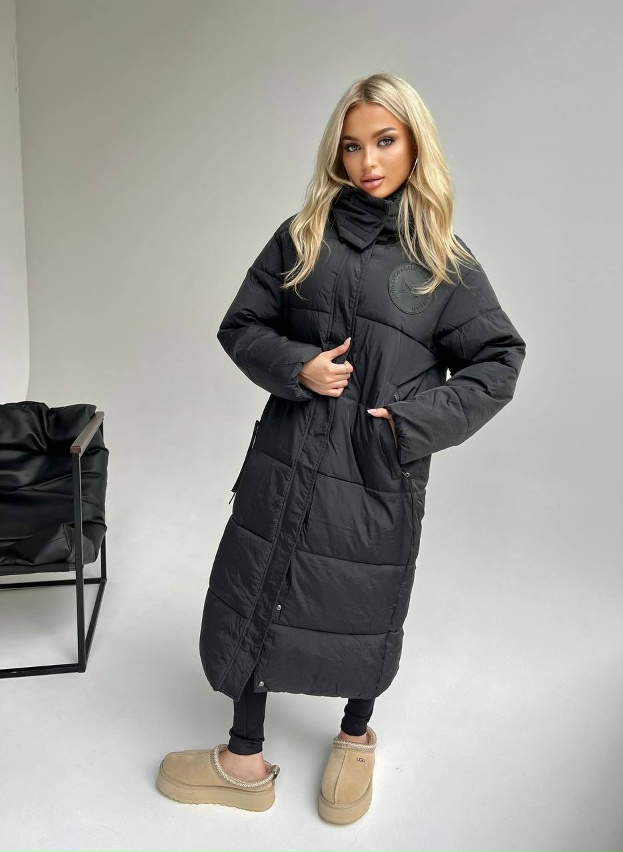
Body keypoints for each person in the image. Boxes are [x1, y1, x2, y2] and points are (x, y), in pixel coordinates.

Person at [156, 72, 526, 823]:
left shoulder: (443, 262)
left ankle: (355, 738)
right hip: (288, 455)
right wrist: (298, 366)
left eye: (384, 141)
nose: (368, 161)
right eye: (353, 146)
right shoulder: (303, 235)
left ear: (415, 145)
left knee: (363, 600)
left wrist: (407, 424)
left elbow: (500, 360)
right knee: (258, 585)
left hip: (375, 470)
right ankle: (243, 757)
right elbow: (242, 324)